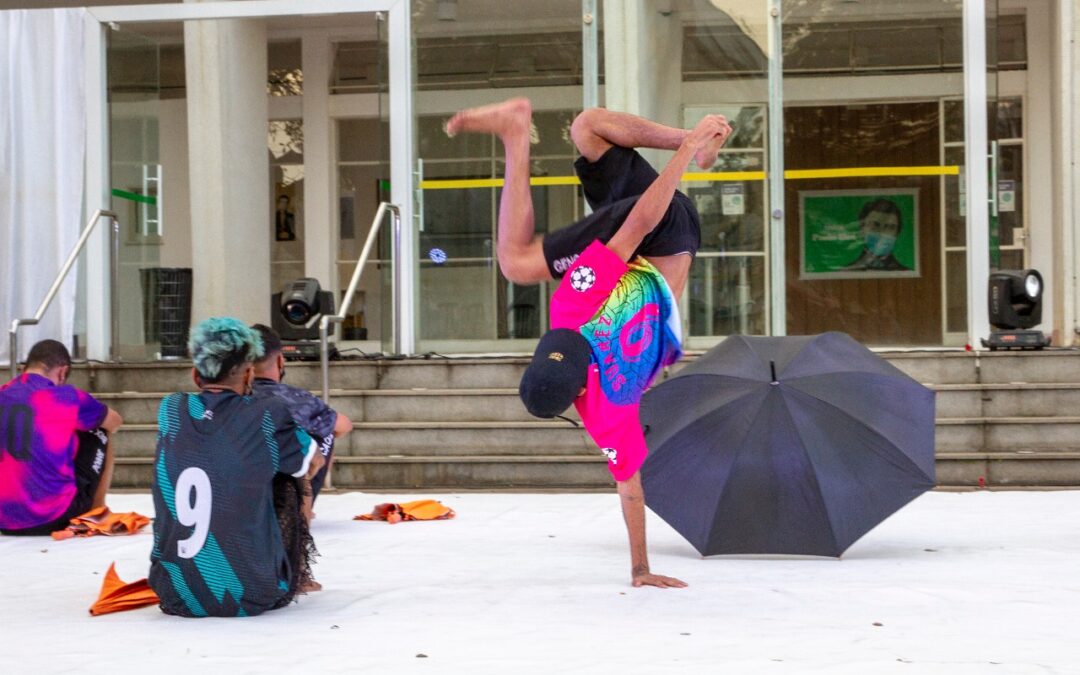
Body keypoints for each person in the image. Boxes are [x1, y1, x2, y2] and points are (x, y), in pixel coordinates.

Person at [446, 98, 732, 588]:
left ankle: (700, 138)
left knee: (590, 128)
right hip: (656, 231)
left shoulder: (607, 413)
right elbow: (640, 223)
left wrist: (640, 568)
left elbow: (630, 487)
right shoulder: (573, 309)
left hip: (674, 238)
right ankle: (516, 134)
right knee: (516, 262)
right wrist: (685, 151)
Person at [148, 318, 324, 617]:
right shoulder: (268, 412)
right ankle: (297, 572)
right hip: (254, 593)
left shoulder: (171, 408)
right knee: (291, 471)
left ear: (195, 375)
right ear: (248, 375)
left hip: (175, 594)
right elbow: (314, 461)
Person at [0, 340, 123, 535]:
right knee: (99, 429)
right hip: (54, 516)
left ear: (25, 369)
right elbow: (115, 422)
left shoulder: (3, 392)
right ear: (62, 372)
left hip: (5, 521)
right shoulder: (66, 396)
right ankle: (97, 511)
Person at [250, 323, 354, 518]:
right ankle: (302, 508)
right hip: (283, 493)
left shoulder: (231, 397)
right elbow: (344, 425)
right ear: (280, 360)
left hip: (236, 492)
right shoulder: (295, 398)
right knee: (326, 432)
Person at [841, 198, 911, 271]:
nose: (882, 233)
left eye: (890, 227)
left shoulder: (906, 272)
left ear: (897, 233)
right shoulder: (844, 272)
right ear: (862, 228)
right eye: (875, 225)